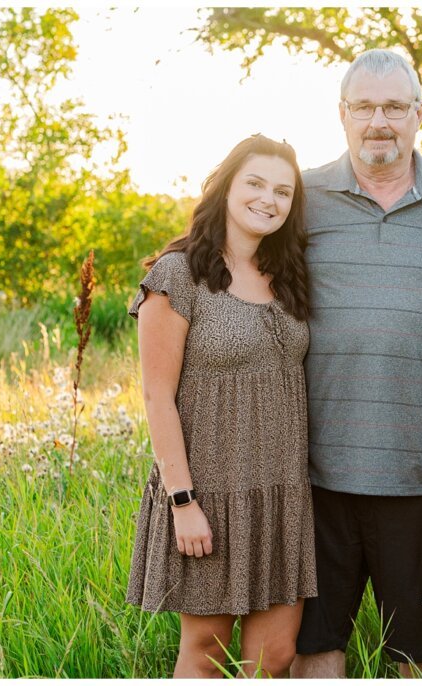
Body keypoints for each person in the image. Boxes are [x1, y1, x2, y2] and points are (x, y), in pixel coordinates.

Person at [291, 49, 422, 678]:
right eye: (364, 106)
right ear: (342, 114)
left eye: (394, 106)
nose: (379, 121)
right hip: (313, 470)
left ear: (419, 114)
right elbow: (231, 254)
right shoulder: (300, 196)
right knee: (313, 649)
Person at [125, 134, 316, 678]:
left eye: (283, 191)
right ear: (227, 186)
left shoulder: (289, 276)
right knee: (206, 649)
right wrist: (182, 500)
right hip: (208, 491)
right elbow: (157, 397)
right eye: (255, 183)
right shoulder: (178, 274)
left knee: (275, 658)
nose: (268, 199)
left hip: (282, 493)